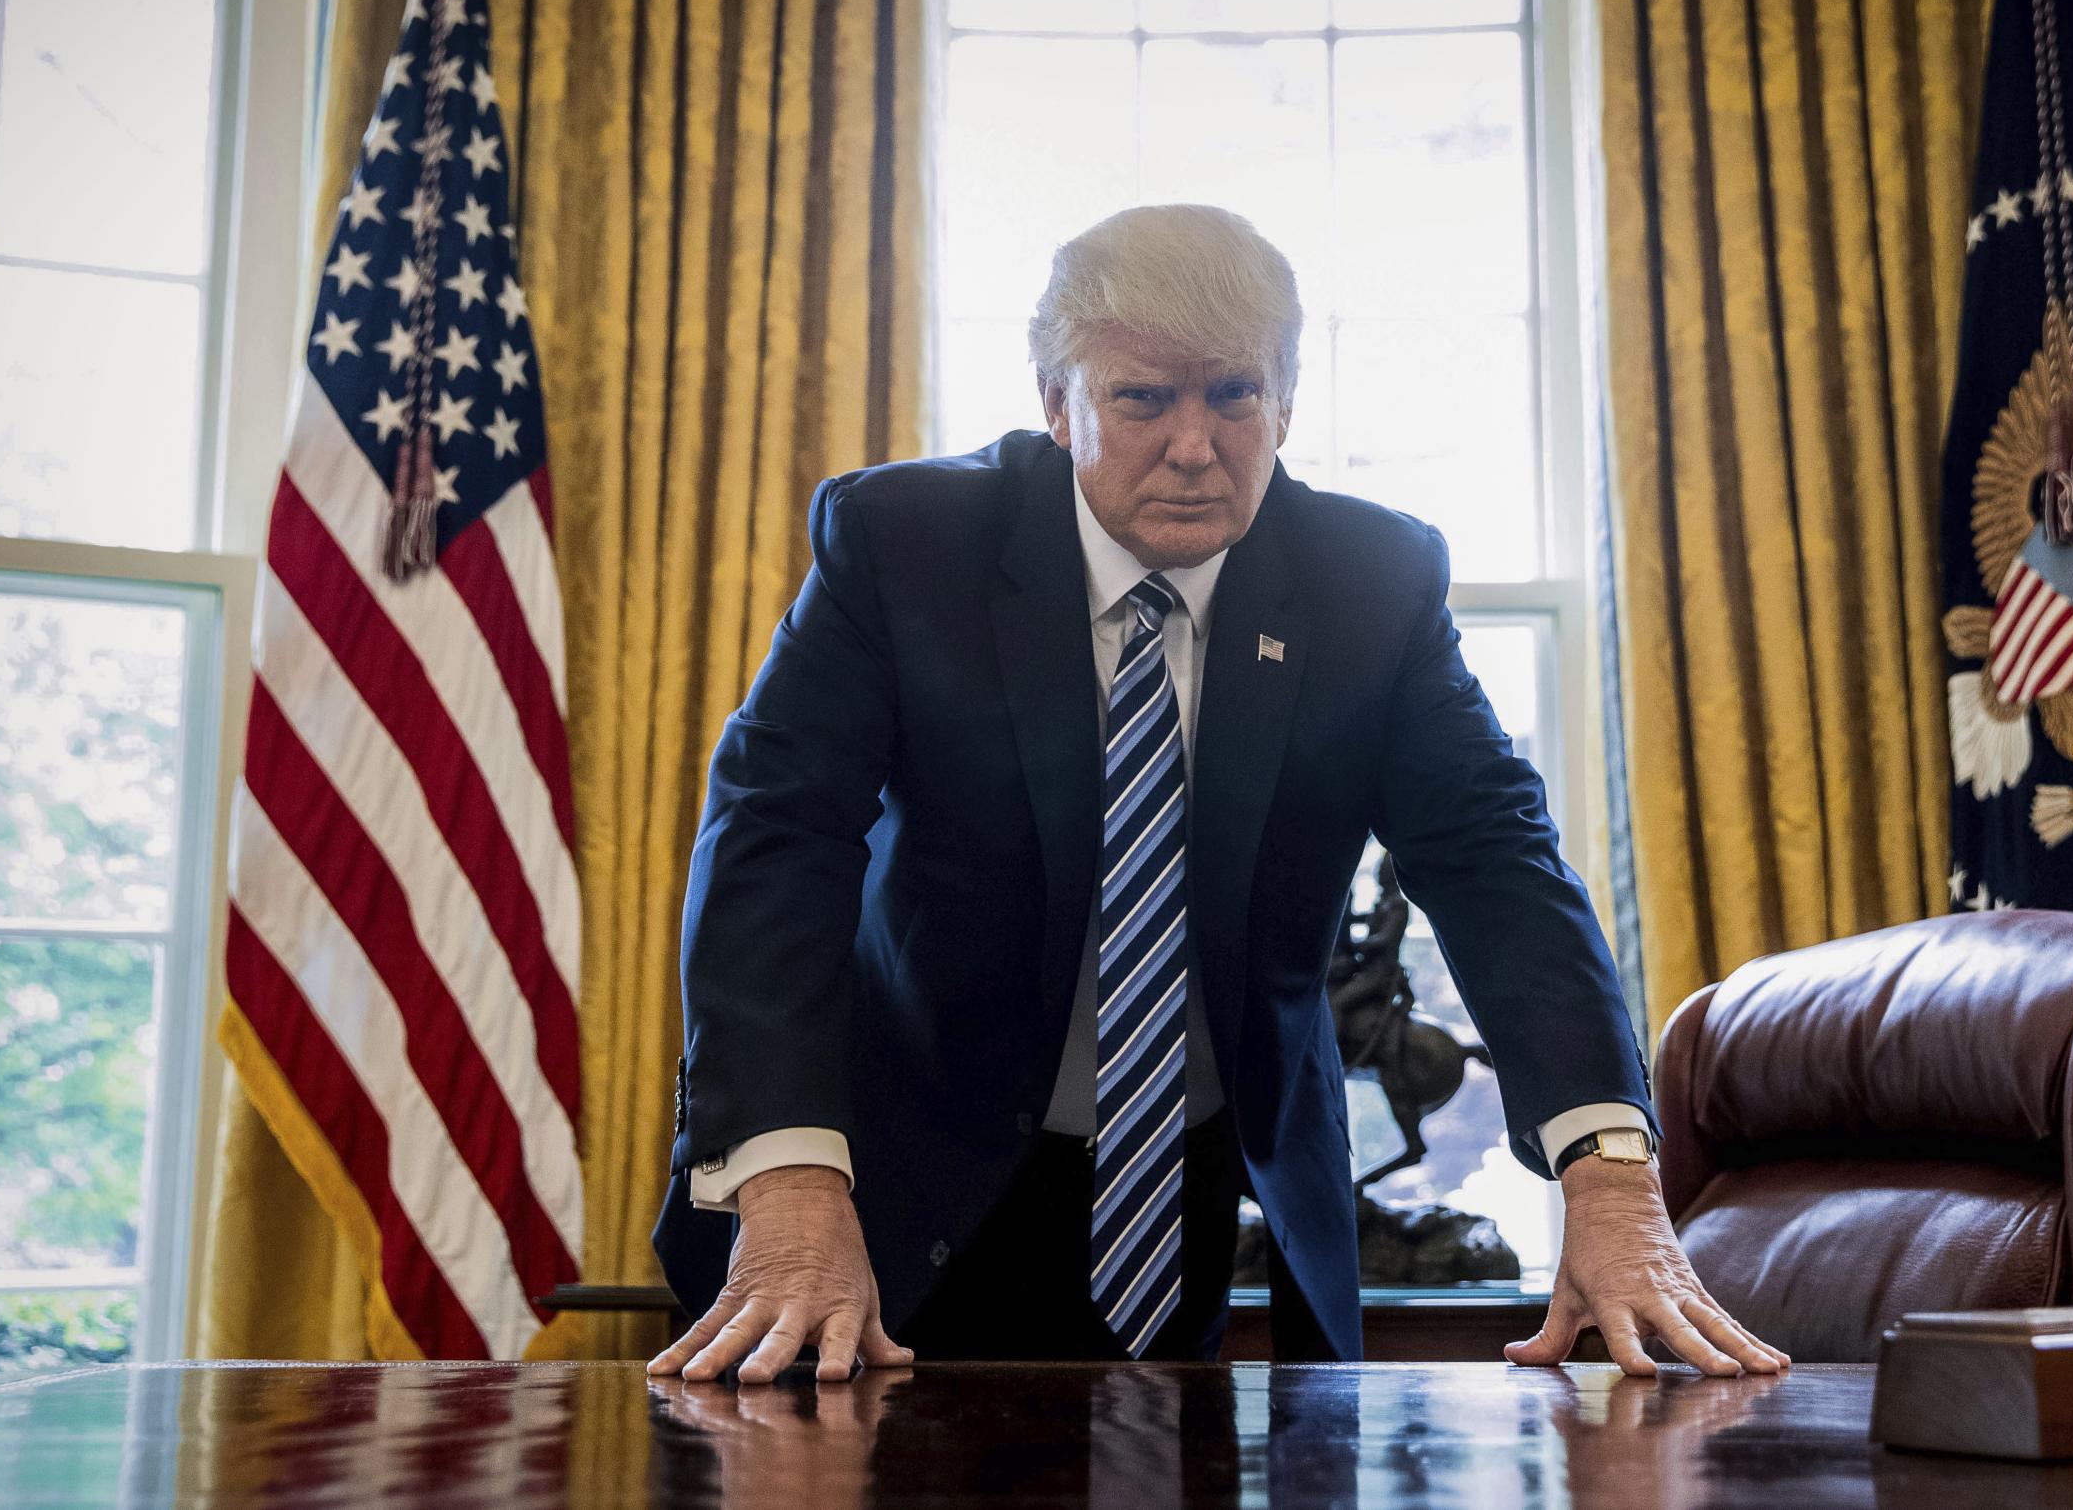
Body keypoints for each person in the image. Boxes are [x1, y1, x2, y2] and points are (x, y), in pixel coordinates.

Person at [647, 205, 1787, 1382]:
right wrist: (787, 1181)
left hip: (1181, 1191)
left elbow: (1496, 862)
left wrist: (1607, 1173)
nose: (1195, 443)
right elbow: (776, 835)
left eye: (1234, 395)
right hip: (886, 1185)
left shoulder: (1370, 582)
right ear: (1057, 402)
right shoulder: (905, 542)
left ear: (1285, 402)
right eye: (1143, 399)